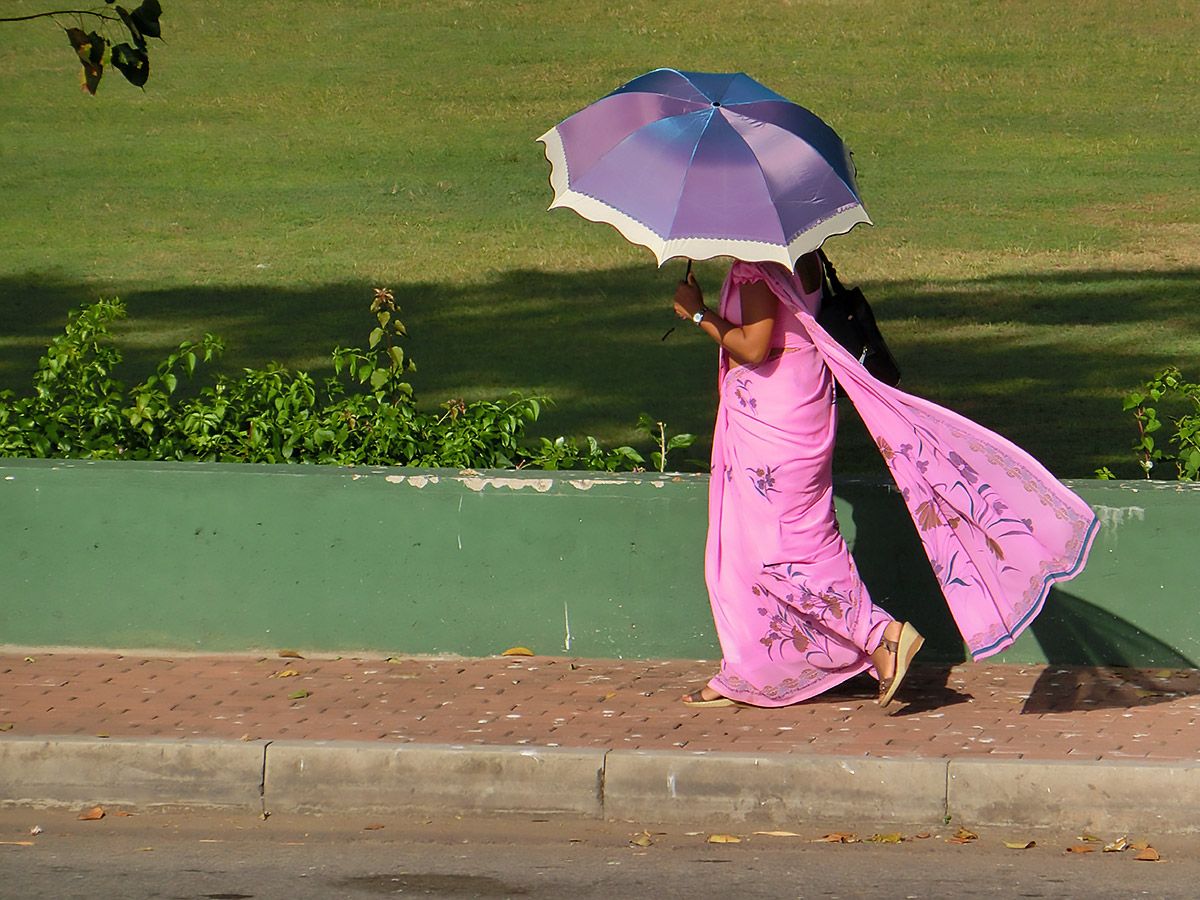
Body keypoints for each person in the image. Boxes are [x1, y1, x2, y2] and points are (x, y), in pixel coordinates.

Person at [670, 254, 1098, 709]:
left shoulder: (757, 265)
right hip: (805, 402)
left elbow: (754, 347)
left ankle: (881, 634)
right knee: (791, 536)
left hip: (772, 418)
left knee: (775, 546)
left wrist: (696, 312)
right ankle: (760, 667)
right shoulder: (807, 255)